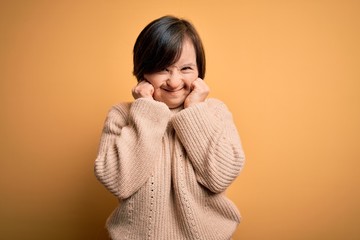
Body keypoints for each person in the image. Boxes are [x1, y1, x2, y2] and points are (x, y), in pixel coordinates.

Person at [94, 15, 245, 240]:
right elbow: (118, 182)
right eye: (163, 69)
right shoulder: (122, 115)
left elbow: (220, 177)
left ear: (199, 71)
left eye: (186, 68)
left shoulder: (214, 112)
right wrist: (146, 110)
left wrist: (194, 110)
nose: (174, 82)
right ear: (143, 71)